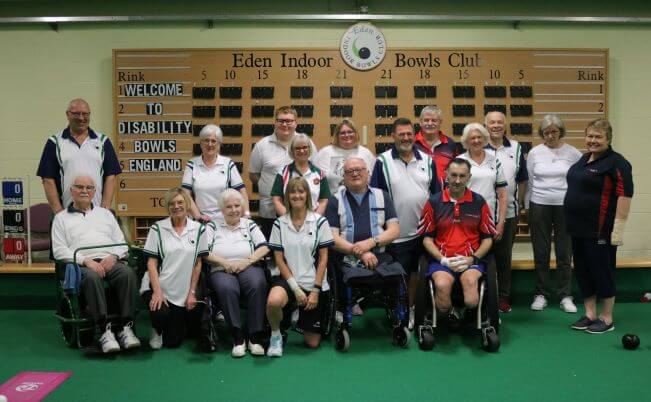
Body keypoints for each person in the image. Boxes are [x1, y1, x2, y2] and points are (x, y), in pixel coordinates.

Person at [51, 175, 139, 354]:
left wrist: (114, 256)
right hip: (81, 264)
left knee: (127, 273)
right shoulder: (61, 219)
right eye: (80, 187)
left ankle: (126, 328)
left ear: (94, 192)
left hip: (109, 260)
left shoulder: (106, 214)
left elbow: (121, 243)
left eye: (89, 187)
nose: (84, 191)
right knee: (91, 277)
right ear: (72, 191)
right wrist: (86, 261)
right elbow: (59, 251)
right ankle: (104, 331)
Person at [565, 119, 633, 334]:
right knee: (583, 271)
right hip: (578, 228)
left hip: (601, 230)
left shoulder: (617, 162)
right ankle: (590, 314)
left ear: (608, 139)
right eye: (590, 136)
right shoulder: (583, 160)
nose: (592, 141)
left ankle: (606, 318)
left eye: (598, 137)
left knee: (602, 271)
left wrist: (618, 231)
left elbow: (625, 195)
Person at [371, 117, 440, 330]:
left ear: (414, 134)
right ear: (393, 136)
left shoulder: (428, 161)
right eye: (401, 134)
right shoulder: (382, 161)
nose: (406, 138)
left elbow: (437, 195)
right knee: (400, 276)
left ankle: (416, 311)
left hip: (424, 233)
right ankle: (401, 311)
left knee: (419, 275)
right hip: (397, 235)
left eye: (409, 133)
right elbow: (375, 197)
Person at [325, 156, 403, 323]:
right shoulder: (335, 200)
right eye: (349, 171)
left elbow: (395, 230)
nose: (355, 174)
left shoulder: (382, 195)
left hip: (381, 256)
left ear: (367, 173)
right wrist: (359, 252)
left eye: (359, 170)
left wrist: (370, 243)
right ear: (344, 177)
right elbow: (332, 238)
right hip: (347, 258)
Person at [419, 158, 495, 323]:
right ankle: (451, 312)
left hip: (470, 261)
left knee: (471, 300)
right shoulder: (433, 202)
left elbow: (488, 239)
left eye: (462, 176)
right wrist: (443, 260)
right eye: (453, 175)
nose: (457, 180)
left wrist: (472, 259)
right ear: (446, 174)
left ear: (469, 177)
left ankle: (468, 312)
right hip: (442, 260)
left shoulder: (479, 202)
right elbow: (427, 240)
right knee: (441, 288)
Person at [266, 177, 334, 357]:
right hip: (289, 281)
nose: (297, 195)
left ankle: (296, 318)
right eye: (293, 192)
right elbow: (279, 260)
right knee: (273, 302)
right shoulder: (279, 223)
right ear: (287, 196)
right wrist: (295, 289)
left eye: (301, 191)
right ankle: (276, 335)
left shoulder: (320, 222)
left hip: (314, 283)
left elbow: (323, 259)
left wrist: (315, 291)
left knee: (312, 343)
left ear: (307, 195)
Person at [203, 189, 270, 357]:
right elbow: (204, 252)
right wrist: (224, 262)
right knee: (227, 288)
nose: (234, 210)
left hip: (248, 266)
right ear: (222, 209)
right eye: (228, 207)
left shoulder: (249, 225)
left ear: (242, 207)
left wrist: (247, 261)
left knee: (257, 283)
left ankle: (254, 337)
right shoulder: (212, 226)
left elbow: (264, 247)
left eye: (237, 205)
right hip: (220, 269)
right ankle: (238, 337)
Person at [140, 187, 209, 349]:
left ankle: (178, 321)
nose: (176, 206)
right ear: (168, 207)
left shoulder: (199, 229)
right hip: (159, 286)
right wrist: (157, 292)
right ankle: (157, 329)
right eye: (172, 203)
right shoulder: (157, 228)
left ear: (187, 205)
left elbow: (198, 263)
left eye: (180, 202)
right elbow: (151, 263)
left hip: (184, 290)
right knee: (161, 317)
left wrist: (192, 293)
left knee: (174, 341)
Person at [527, 115, 582, 313]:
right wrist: (528, 207)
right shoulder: (535, 153)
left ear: (561, 132)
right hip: (539, 205)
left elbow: (580, 180)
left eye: (554, 131)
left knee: (564, 253)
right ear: (542, 134)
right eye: (546, 132)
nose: (550, 135)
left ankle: (565, 295)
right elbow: (531, 182)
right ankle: (540, 294)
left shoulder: (573, 153)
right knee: (541, 253)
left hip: (565, 207)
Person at [37, 98, 121, 213]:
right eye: (76, 114)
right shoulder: (55, 142)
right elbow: (47, 180)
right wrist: (59, 212)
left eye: (85, 114)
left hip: (96, 214)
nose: (81, 118)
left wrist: (104, 211)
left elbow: (111, 177)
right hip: (66, 213)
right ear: (68, 115)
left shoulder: (102, 141)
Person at [248, 106, 317, 239]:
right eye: (281, 121)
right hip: (270, 210)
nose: (285, 124)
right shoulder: (262, 145)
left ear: (296, 123)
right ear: (275, 122)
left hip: (301, 209)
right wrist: (271, 188)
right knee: (272, 250)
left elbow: (315, 171)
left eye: (289, 121)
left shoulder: (306, 143)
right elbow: (253, 174)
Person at [483, 111, 528, 313]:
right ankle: (482, 297)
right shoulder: (475, 147)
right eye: (492, 122)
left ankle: (502, 297)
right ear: (486, 125)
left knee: (503, 259)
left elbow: (522, 179)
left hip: (508, 214)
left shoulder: (516, 148)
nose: (496, 125)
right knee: (481, 256)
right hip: (480, 216)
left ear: (505, 125)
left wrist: (518, 203)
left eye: (499, 122)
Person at [182, 124, 249, 222]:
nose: (210, 144)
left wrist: (246, 215)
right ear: (200, 143)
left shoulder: (228, 164)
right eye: (206, 140)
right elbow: (185, 194)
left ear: (219, 144)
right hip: (201, 221)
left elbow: (242, 192)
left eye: (214, 141)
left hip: (226, 220)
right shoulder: (192, 164)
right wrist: (199, 217)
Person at [271, 133, 330, 216]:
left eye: (305, 147)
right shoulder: (282, 173)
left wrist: (314, 220)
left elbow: (323, 201)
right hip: (287, 223)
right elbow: (276, 199)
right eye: (297, 148)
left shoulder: (319, 174)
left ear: (309, 149)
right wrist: (288, 219)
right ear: (292, 151)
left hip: (313, 223)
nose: (302, 151)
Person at [313, 119, 376, 194]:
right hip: (334, 200)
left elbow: (375, 179)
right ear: (337, 135)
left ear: (356, 134)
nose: (347, 135)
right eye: (342, 133)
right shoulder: (326, 152)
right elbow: (315, 179)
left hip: (362, 200)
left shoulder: (365, 153)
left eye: (350, 132)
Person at [413, 106, 461, 188]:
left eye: (434, 120)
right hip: (418, 195)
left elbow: (459, 169)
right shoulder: (411, 144)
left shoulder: (450, 144)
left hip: (445, 196)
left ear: (440, 122)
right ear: (420, 122)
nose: (430, 123)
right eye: (426, 120)